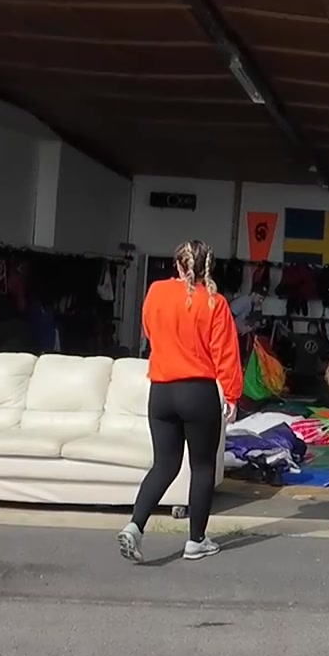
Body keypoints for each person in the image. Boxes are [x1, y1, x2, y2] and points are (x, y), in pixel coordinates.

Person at [118, 240, 241, 563]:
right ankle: (196, 541)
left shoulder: (156, 292)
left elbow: (149, 331)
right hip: (197, 392)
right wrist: (231, 394)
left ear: (177, 265)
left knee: (164, 464)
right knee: (202, 467)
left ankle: (135, 525)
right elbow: (225, 352)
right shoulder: (215, 302)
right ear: (207, 268)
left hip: (161, 391)